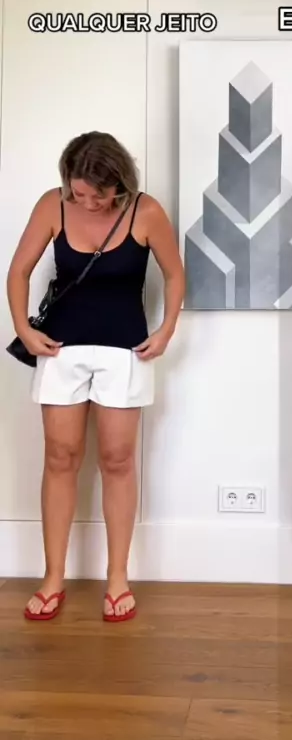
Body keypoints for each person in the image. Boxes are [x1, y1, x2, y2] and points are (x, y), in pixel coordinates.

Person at [6, 131, 185, 622]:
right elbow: (18, 271)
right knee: (60, 457)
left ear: (119, 183)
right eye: (78, 193)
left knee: (118, 460)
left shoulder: (146, 211)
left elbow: (174, 273)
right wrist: (23, 328)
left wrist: (166, 329)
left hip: (125, 351)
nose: (86, 202)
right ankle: (53, 577)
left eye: (98, 195)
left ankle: (118, 577)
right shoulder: (53, 204)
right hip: (60, 349)